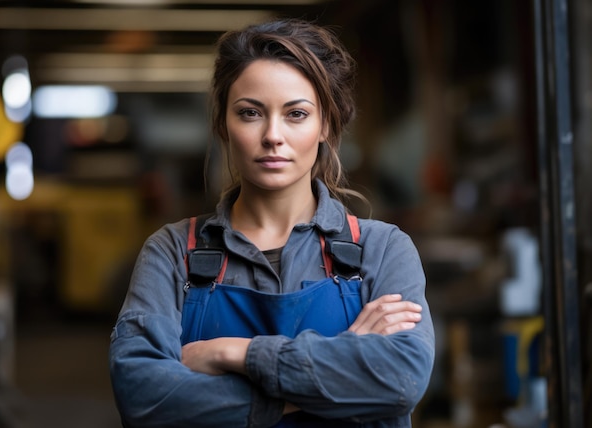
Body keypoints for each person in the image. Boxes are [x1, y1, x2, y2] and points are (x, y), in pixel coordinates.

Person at [109, 18, 435, 428]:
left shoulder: (382, 250)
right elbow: (142, 398)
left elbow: (401, 379)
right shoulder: (174, 253)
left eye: (296, 114)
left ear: (326, 125)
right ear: (223, 126)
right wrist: (339, 366)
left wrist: (236, 354)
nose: (272, 135)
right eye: (250, 113)